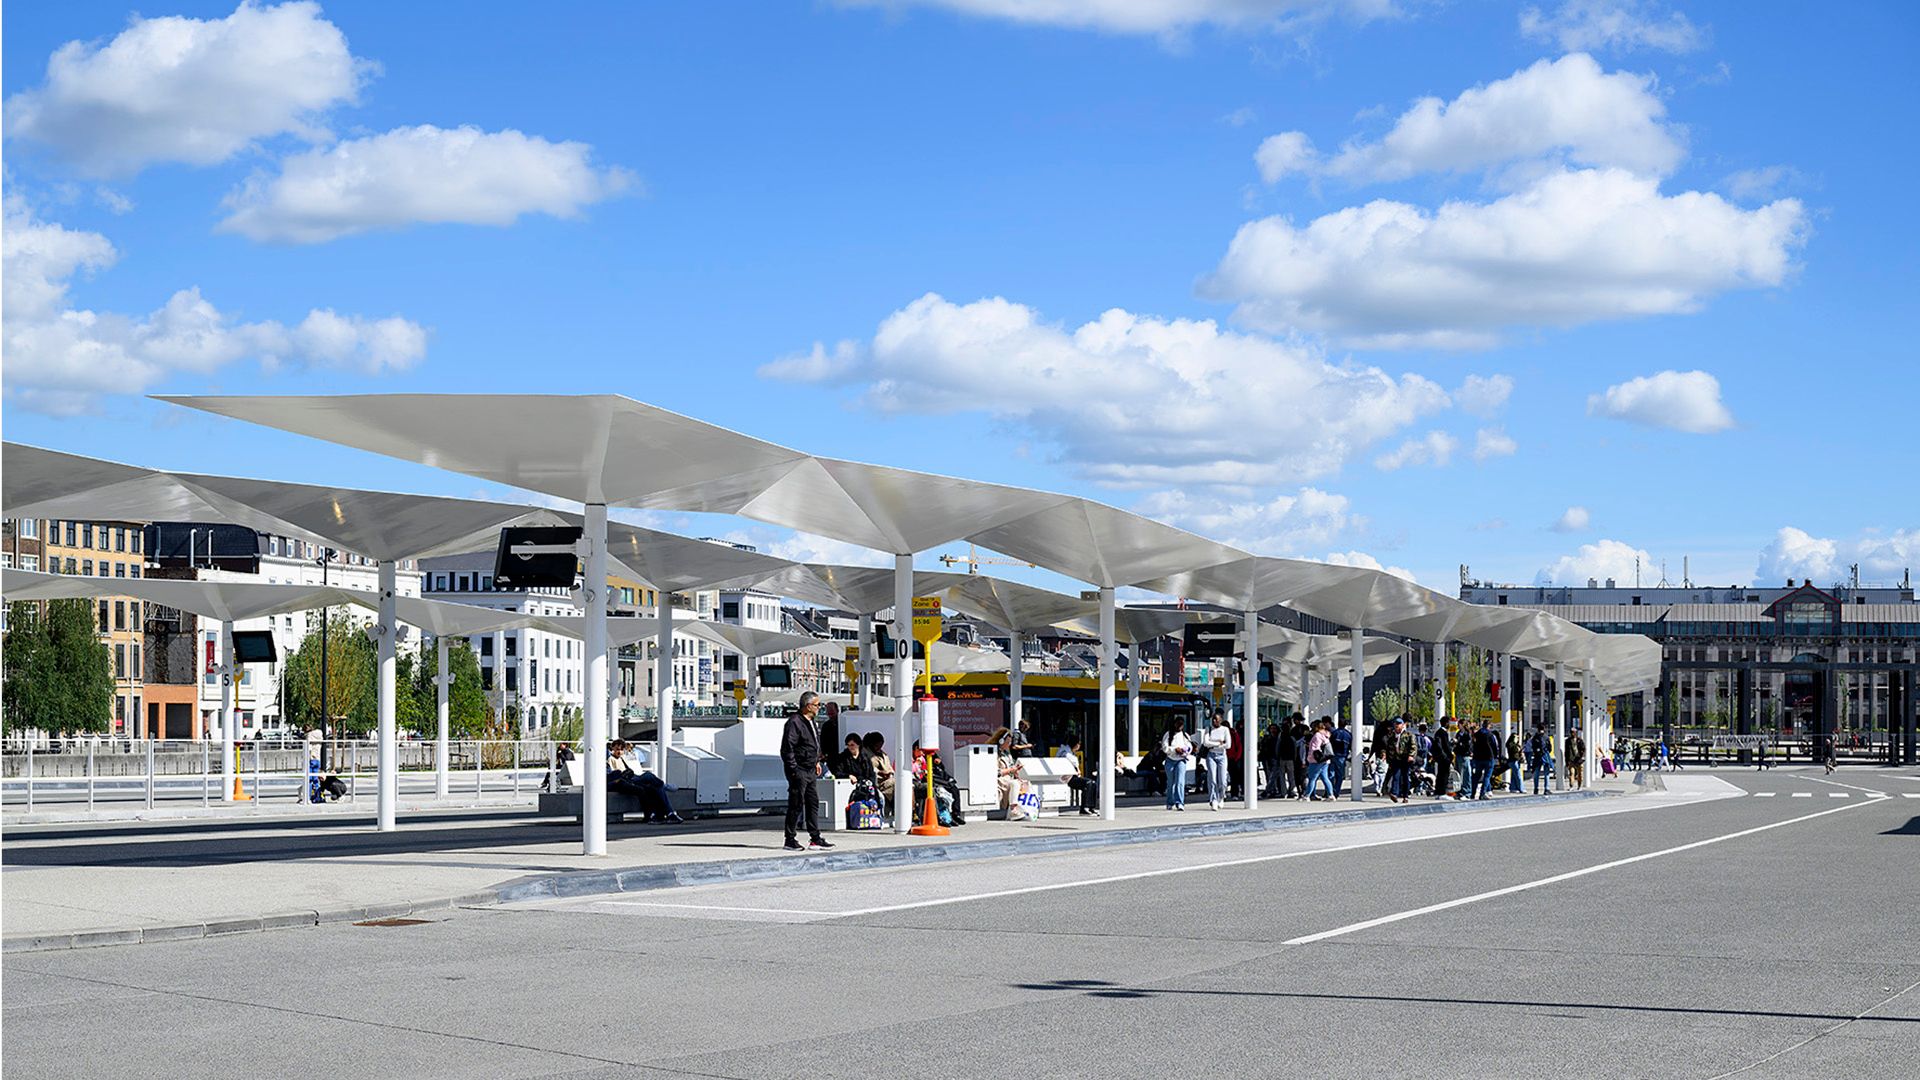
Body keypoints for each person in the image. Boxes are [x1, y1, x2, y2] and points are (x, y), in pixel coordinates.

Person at [779, 692, 832, 851]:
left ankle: (815, 838)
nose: (819, 707)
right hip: (799, 769)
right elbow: (788, 748)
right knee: (796, 803)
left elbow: (813, 744)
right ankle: (790, 839)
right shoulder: (795, 722)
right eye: (817, 705)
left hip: (810, 769)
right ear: (808, 706)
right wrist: (793, 769)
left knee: (812, 802)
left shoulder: (811, 722)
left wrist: (816, 761)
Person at [607, 740, 681, 823]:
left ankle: (668, 813)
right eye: (617, 749)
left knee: (655, 786)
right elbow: (615, 775)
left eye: (621, 750)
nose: (619, 752)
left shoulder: (621, 758)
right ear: (612, 749)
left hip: (631, 778)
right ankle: (664, 787)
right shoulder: (611, 759)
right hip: (627, 780)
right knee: (649, 776)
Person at [1202, 709, 1232, 810]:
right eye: (1213, 719)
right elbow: (1206, 743)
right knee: (1212, 778)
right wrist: (1218, 743)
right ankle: (1213, 799)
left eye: (1216, 719)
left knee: (1223, 780)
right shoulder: (1209, 729)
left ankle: (1221, 796)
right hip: (1211, 755)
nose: (1214, 721)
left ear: (1221, 720)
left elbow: (1228, 745)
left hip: (1222, 756)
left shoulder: (1225, 730)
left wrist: (1214, 744)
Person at [1161, 720, 1194, 810]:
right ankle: (1170, 802)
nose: (1180, 726)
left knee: (1180, 782)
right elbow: (1165, 748)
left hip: (1181, 760)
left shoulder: (1185, 735)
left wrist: (1184, 750)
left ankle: (1179, 802)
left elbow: (1190, 747)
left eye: (1181, 725)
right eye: (1178, 724)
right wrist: (1174, 750)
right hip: (1170, 760)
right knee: (1171, 783)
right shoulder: (1168, 734)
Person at [1382, 718, 1415, 803]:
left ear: (1403, 725)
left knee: (1405, 777)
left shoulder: (1409, 735)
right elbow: (1387, 747)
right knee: (1396, 776)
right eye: (1396, 724)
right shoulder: (1392, 736)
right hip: (1395, 759)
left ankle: (1405, 796)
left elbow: (1413, 746)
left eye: (1399, 724)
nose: (1397, 725)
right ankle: (1394, 794)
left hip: (1405, 759)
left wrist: (1411, 755)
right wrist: (1386, 756)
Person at [1302, 719, 1336, 801]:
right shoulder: (1326, 735)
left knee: (1312, 778)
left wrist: (1310, 754)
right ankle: (1331, 795)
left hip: (1316, 760)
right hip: (1325, 760)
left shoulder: (1317, 735)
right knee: (1325, 778)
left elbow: (1315, 748)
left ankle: (1307, 795)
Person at [862, 731, 896, 801]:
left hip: (888, 780)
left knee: (906, 783)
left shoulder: (883, 754)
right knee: (897, 783)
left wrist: (890, 773)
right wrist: (880, 772)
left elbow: (889, 767)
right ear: (871, 744)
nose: (879, 748)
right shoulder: (865, 754)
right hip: (877, 783)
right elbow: (868, 769)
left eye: (881, 746)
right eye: (877, 746)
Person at [1471, 721, 1499, 800]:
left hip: (1478, 758)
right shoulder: (1490, 735)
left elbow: (1473, 745)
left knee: (1476, 776)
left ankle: (1472, 793)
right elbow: (1495, 746)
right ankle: (1482, 793)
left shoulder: (1476, 735)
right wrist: (1495, 756)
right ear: (1489, 726)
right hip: (1489, 757)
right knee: (1487, 776)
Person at [1430, 719, 1455, 799]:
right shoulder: (1443, 733)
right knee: (1444, 774)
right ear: (1446, 723)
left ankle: (1438, 792)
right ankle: (1442, 792)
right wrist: (1449, 756)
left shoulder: (1438, 732)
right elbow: (1445, 746)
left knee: (1440, 774)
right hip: (1444, 757)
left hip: (1440, 758)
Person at [1328, 717, 1352, 797]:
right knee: (1340, 775)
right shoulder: (1348, 734)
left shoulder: (1334, 733)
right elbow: (1350, 746)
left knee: (1331, 774)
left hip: (1333, 755)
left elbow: (1330, 744)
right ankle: (1336, 791)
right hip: (1342, 756)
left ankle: (1330, 791)